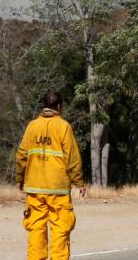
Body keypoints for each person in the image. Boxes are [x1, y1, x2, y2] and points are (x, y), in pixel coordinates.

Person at [16, 91, 86, 260]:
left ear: (43, 107)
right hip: (58, 191)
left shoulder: (32, 126)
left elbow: (21, 155)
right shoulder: (64, 127)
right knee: (60, 232)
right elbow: (73, 159)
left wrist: (20, 179)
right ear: (59, 107)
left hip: (35, 189)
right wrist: (79, 183)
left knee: (36, 232)